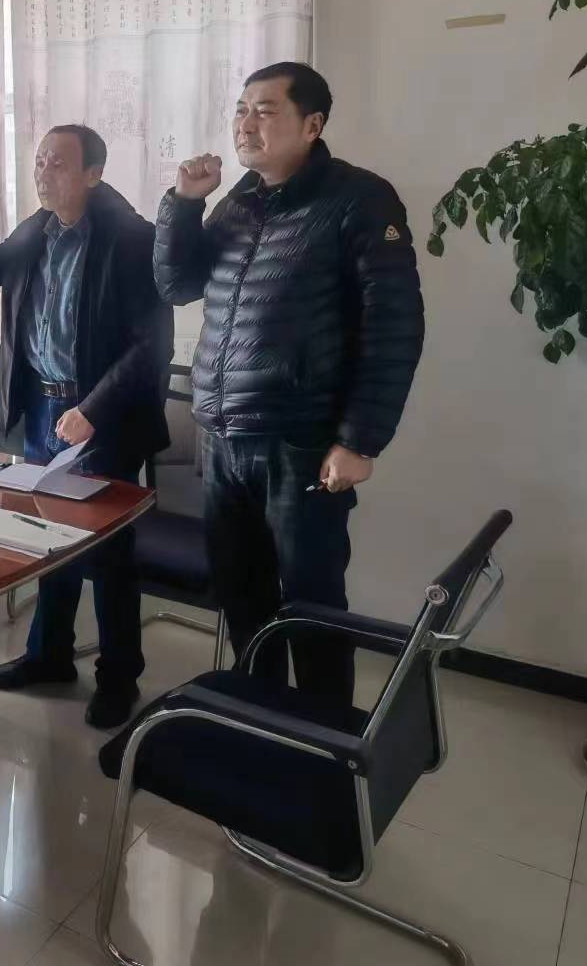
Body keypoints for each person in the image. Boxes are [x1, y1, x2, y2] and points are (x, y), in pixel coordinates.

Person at [154, 62, 424, 708]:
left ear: (312, 124)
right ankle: (258, 715)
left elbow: (395, 324)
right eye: (241, 109)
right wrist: (184, 204)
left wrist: (359, 440)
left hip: (301, 443)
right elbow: (177, 285)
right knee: (242, 594)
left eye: (266, 110)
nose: (246, 124)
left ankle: (324, 733)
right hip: (224, 437)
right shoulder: (240, 201)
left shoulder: (358, 199)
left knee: (311, 604)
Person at [0, 126, 172, 729]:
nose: (43, 173)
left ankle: (119, 676)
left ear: (93, 173)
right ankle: (49, 654)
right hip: (44, 411)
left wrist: (93, 410)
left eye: (58, 164)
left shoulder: (130, 238)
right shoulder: (37, 229)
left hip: (102, 417)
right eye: (40, 161)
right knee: (47, 539)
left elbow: (150, 345)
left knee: (107, 551)